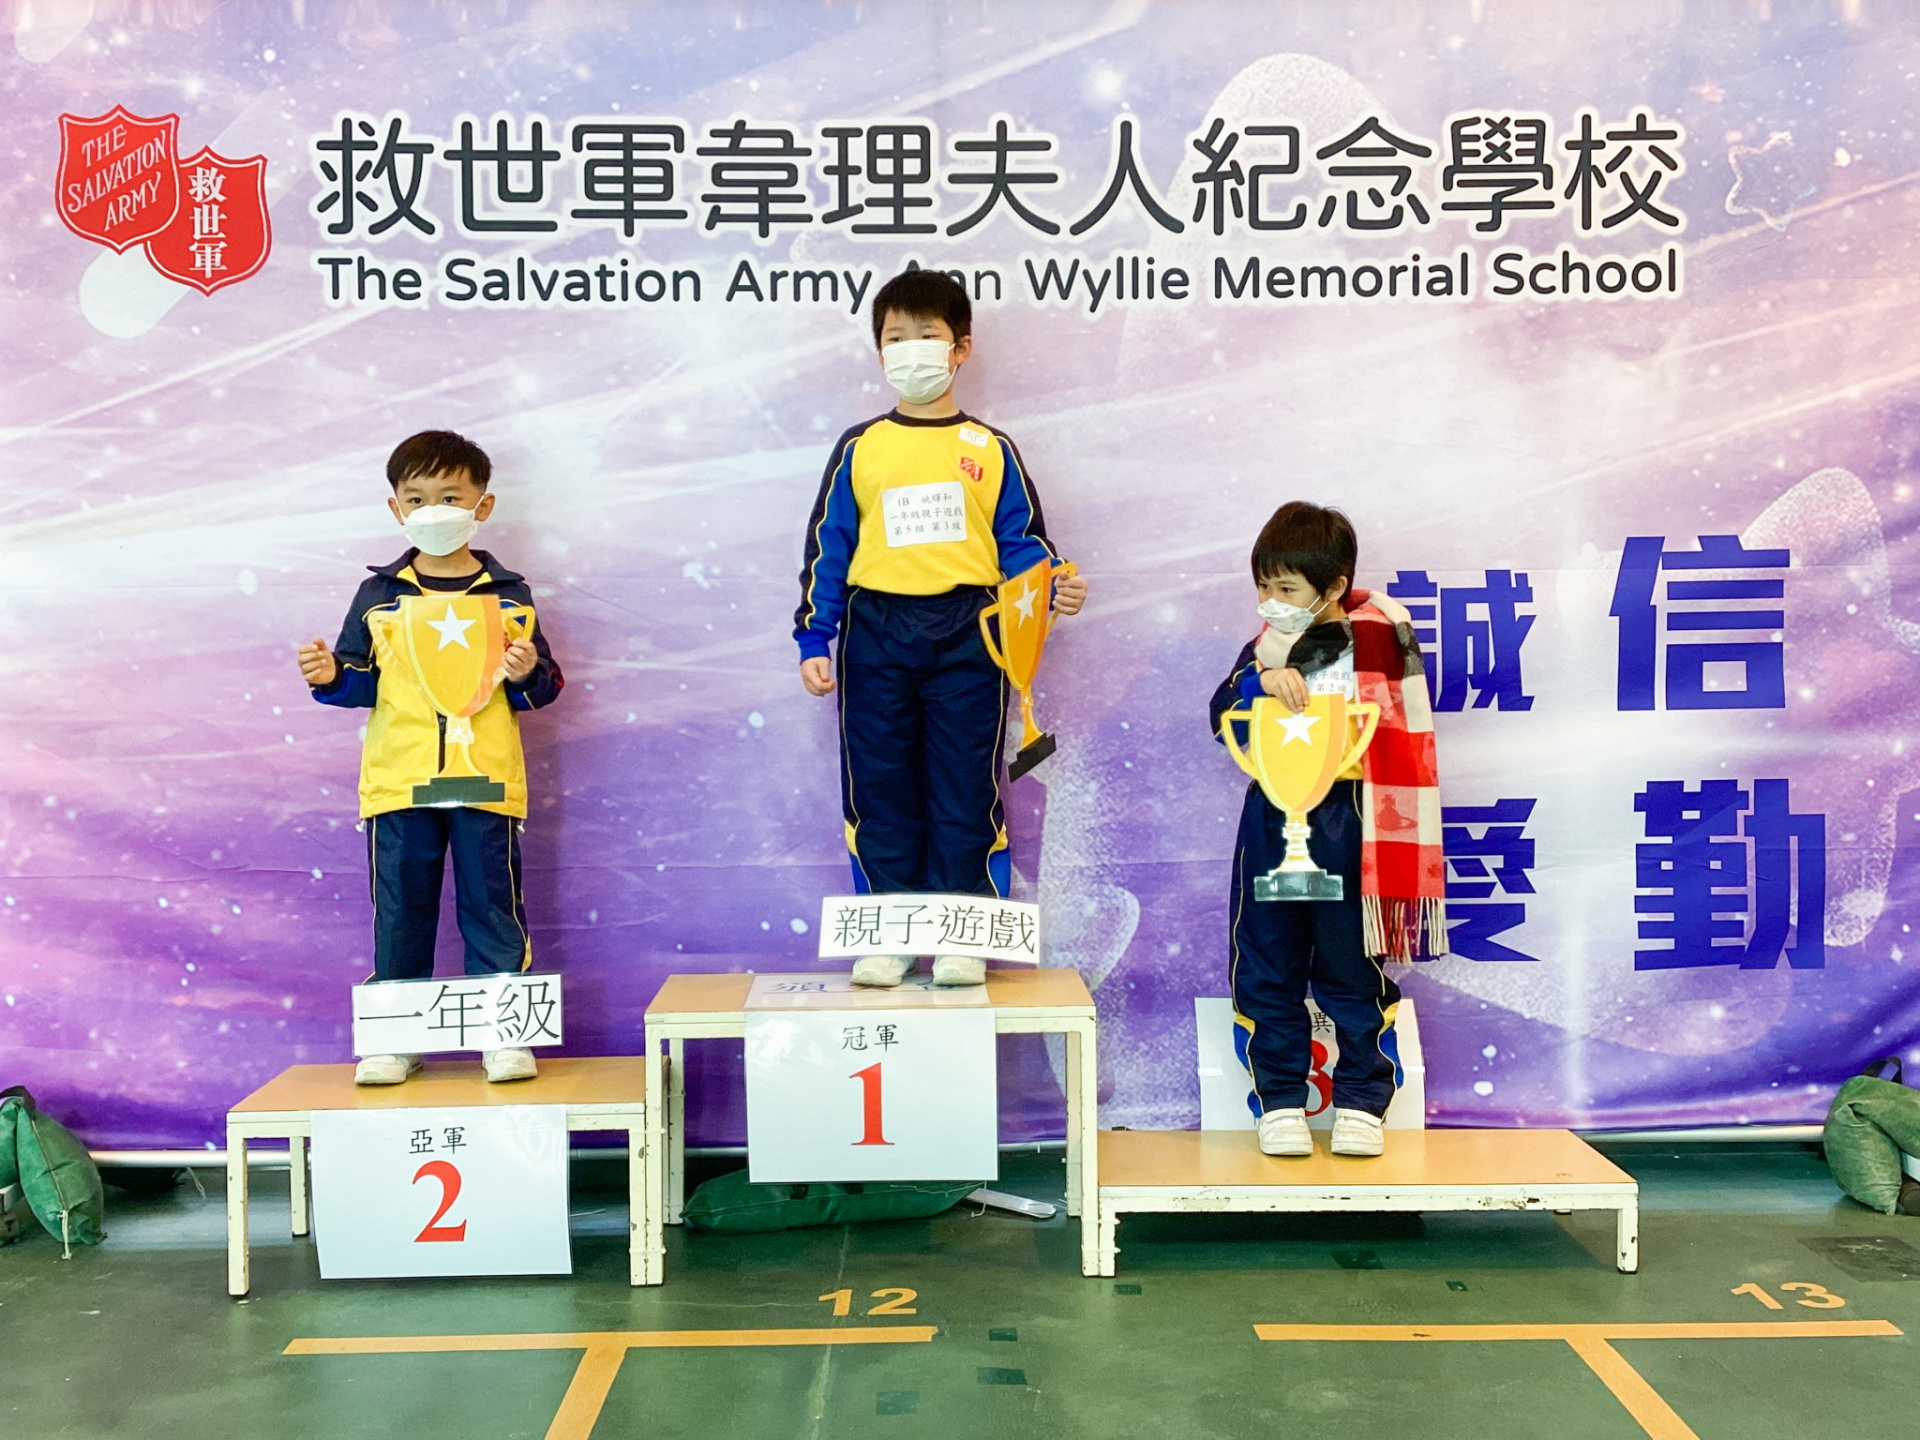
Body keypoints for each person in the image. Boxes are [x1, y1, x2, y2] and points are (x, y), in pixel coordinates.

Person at [794, 268, 1087, 987]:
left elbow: (1023, 545)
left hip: (970, 634)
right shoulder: (860, 447)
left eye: (927, 336)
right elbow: (829, 547)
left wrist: (1056, 586)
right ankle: (890, 933)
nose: (911, 351)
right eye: (896, 338)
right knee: (880, 788)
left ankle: (964, 934)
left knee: (965, 786)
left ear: (960, 349)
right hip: (875, 632)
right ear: (879, 351)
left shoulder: (990, 449)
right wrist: (814, 636)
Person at [297, 430, 564, 1084]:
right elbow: (361, 682)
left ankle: (505, 1036)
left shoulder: (510, 594)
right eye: (416, 499)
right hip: (399, 780)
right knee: (400, 911)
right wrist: (331, 675)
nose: (433, 510)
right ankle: (396, 1038)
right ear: (396, 508)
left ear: (482, 505)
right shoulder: (379, 594)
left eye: (450, 496)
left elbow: (544, 687)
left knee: (493, 907)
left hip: (485, 778)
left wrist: (526, 671)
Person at [1208, 502, 1444, 1157]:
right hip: (1274, 817)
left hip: (1353, 819)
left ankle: (1363, 1103)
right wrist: (1263, 682)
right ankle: (1280, 1102)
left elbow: (1396, 734)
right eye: (1263, 586)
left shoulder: (1381, 642)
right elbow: (1220, 714)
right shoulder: (1264, 650)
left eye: (1287, 588)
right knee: (1266, 960)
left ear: (1334, 585)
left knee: (1351, 964)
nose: (1272, 602)